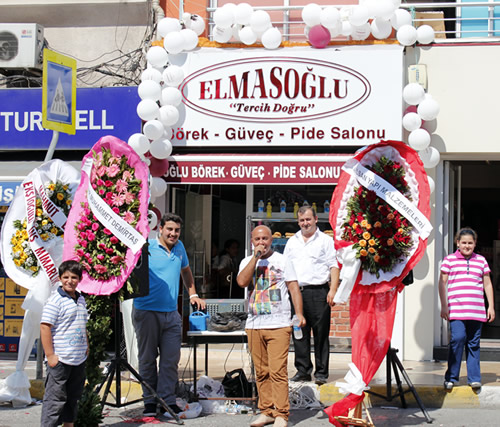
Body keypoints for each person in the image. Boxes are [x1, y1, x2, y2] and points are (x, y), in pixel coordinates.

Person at [133, 213, 205, 417]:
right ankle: (149, 402)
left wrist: (194, 294)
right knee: (147, 359)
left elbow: (186, 271)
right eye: (170, 229)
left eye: (177, 230)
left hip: (171, 313)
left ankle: (167, 401)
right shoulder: (145, 246)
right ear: (160, 229)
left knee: (170, 360)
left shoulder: (180, 247)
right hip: (146, 311)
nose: (173, 234)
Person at [237, 225, 305, 427]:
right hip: (254, 324)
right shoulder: (247, 261)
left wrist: (299, 313)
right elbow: (242, 281)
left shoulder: (283, 260)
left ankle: (282, 414)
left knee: (278, 370)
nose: (261, 243)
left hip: (279, 324)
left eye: (265, 239)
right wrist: (255, 258)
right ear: (252, 241)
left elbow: (293, 288)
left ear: (271, 240)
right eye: (257, 239)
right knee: (261, 371)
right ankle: (266, 411)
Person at [283, 205, 340, 385]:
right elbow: (285, 267)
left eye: (308, 219)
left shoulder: (325, 240)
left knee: (321, 334)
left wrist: (333, 290)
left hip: (319, 292)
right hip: (297, 293)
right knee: (299, 333)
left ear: (315, 219)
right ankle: (303, 370)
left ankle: (321, 373)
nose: (305, 223)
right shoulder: (292, 242)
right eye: (301, 220)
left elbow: (334, 265)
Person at [438, 227, 495, 391]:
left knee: (474, 344)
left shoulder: (481, 261)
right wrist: (444, 305)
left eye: (470, 243)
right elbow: (442, 283)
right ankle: (451, 377)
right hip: (456, 310)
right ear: (458, 243)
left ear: (475, 243)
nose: (467, 246)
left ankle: (474, 378)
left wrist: (490, 306)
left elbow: (487, 283)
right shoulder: (449, 260)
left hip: (476, 311)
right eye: (464, 242)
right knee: (457, 340)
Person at [40, 260, 88, 427]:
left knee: (72, 399)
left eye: (74, 277)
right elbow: (45, 327)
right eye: (65, 277)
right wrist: (50, 355)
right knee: (55, 400)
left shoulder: (81, 299)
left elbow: (82, 324)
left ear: (79, 279)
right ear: (60, 279)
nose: (70, 280)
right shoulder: (55, 301)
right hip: (60, 360)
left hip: (78, 359)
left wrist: (86, 346)